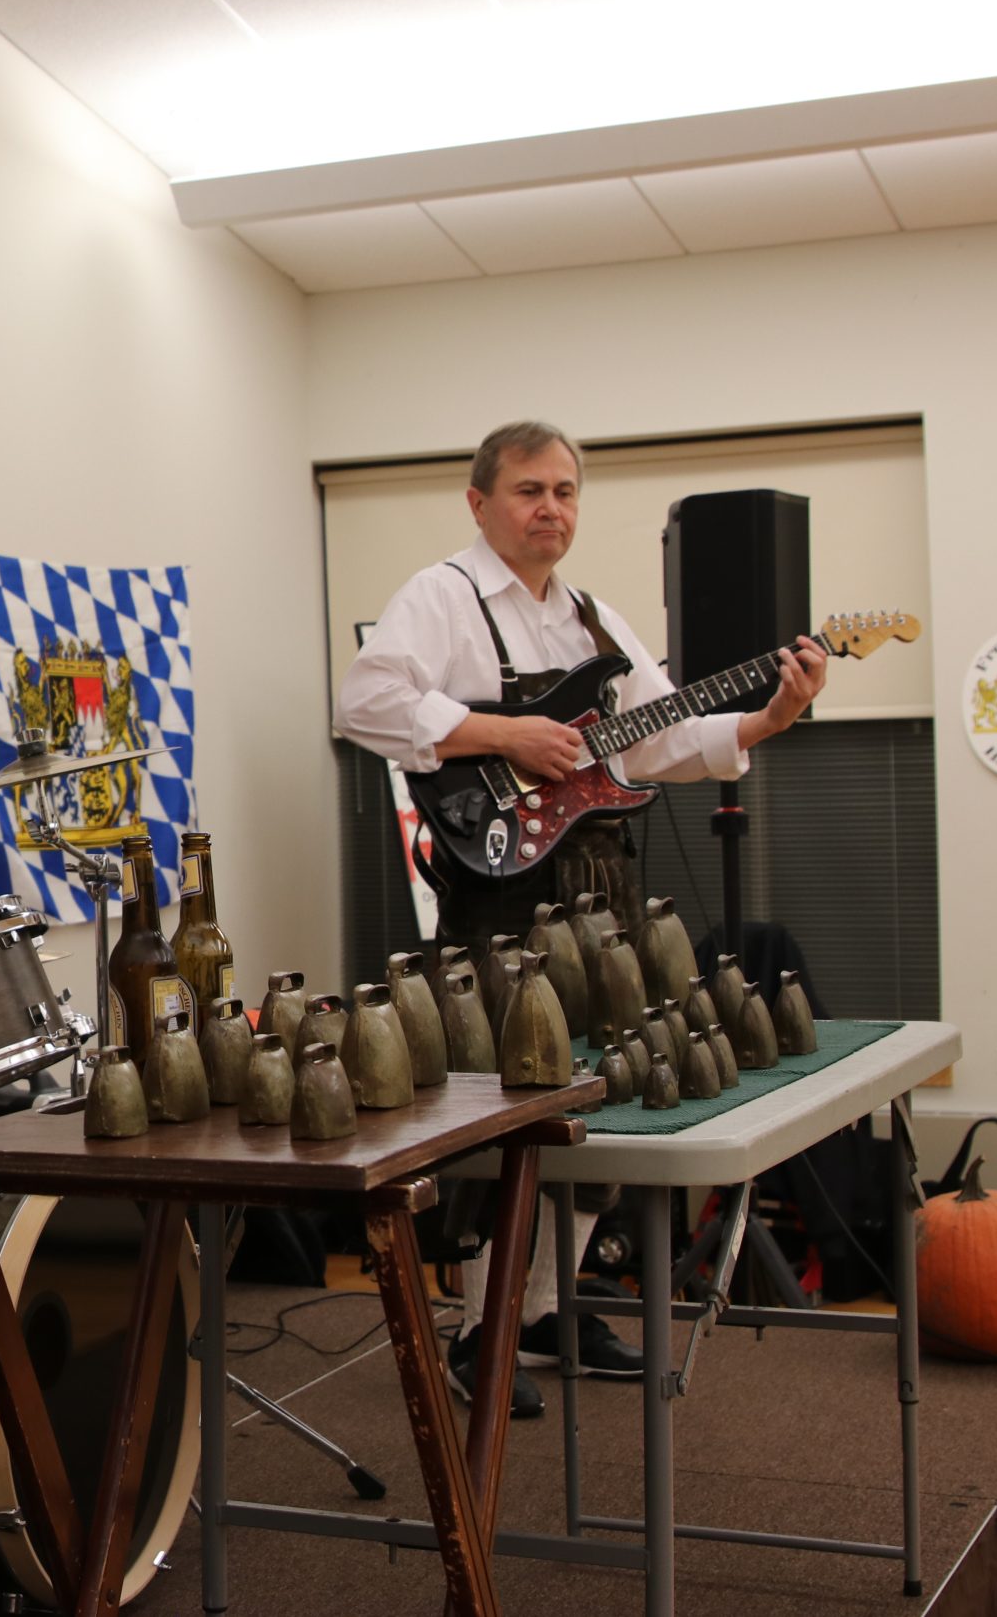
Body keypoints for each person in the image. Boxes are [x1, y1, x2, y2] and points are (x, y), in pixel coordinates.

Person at [336, 419, 828, 1416]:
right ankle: (480, 1331)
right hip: (498, 882)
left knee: (598, 1086)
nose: (549, 507)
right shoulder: (443, 596)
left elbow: (655, 740)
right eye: (528, 489)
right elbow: (365, 701)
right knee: (497, 1100)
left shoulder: (597, 622)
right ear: (480, 503)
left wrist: (767, 718)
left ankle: (550, 1309)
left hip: (597, 885)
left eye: (564, 490)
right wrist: (496, 729)